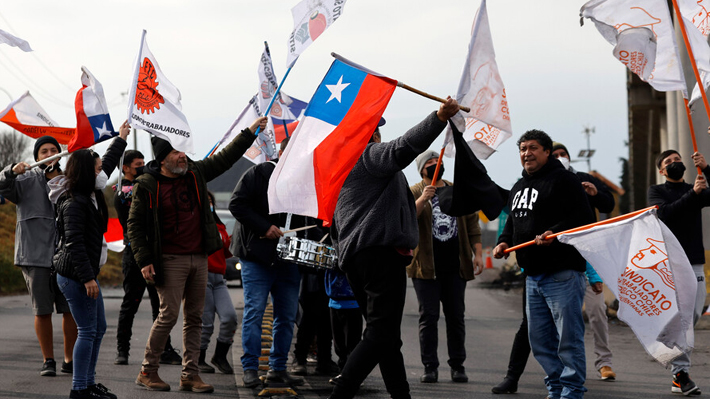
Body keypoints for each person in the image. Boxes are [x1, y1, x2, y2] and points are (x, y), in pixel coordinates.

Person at [327, 98, 460, 399]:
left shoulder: (344, 166)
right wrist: (438, 117)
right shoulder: (369, 156)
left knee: (386, 338)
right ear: (371, 135)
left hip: (359, 260)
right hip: (378, 257)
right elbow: (404, 147)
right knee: (379, 334)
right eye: (377, 132)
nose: (381, 137)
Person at [129, 118, 260, 393]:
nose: (183, 155)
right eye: (177, 151)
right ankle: (147, 370)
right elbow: (135, 226)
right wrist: (144, 261)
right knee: (168, 315)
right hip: (169, 260)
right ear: (163, 159)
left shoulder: (195, 173)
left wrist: (249, 133)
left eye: (183, 150)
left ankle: (190, 374)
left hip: (199, 258)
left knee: (195, 318)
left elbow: (225, 158)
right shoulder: (147, 184)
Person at [493, 129, 593, 399]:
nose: (527, 153)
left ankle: (571, 391)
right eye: (523, 148)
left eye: (533, 148)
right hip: (533, 277)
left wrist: (555, 232)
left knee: (568, 340)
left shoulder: (564, 180)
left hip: (562, 274)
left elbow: (584, 218)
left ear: (548, 152)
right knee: (539, 342)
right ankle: (556, 386)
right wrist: (503, 242)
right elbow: (514, 222)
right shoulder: (518, 186)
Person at [50, 125, 128, 399]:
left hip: (83, 273)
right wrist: (87, 278)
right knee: (87, 330)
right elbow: (75, 244)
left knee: (98, 328)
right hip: (75, 275)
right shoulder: (74, 203)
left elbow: (106, 163)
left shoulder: (90, 195)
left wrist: (121, 139)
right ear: (85, 172)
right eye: (96, 170)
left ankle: (88, 382)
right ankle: (79, 388)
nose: (101, 174)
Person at [229, 137, 308, 388]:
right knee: (255, 311)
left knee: (286, 315)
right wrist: (265, 227)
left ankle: (278, 368)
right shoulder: (258, 174)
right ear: (282, 153)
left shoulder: (303, 182)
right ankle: (250, 368)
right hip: (256, 256)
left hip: (288, 257)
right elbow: (236, 204)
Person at [0, 135, 78, 376]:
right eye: (43, 151)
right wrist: (11, 170)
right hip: (34, 256)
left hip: (66, 255)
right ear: (36, 157)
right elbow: (2, 185)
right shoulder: (23, 179)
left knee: (70, 310)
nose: (49, 154)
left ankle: (69, 359)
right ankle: (48, 360)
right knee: (42, 310)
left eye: (53, 150)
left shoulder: (69, 181)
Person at [407, 150, 483, 384]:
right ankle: (430, 367)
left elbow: (472, 223)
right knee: (428, 318)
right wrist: (423, 199)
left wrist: (477, 253)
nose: (434, 165)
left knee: (456, 318)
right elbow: (407, 218)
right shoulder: (414, 191)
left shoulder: (456, 189)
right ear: (421, 169)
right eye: (429, 163)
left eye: (436, 161)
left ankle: (457, 366)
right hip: (425, 268)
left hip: (455, 267)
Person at [648, 148, 710, 396]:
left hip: (694, 260)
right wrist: (693, 195)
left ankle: (672, 345)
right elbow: (664, 213)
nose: (675, 163)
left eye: (678, 160)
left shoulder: (697, 185)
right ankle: (680, 374)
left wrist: (706, 169)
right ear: (662, 170)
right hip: (671, 262)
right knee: (684, 318)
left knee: (693, 314)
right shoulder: (657, 191)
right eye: (669, 162)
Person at [552, 142, 616, 381]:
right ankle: (564, 367)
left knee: (598, 310)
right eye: (555, 155)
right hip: (560, 260)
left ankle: (604, 362)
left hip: (589, 254)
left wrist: (595, 194)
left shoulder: (583, 178)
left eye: (563, 154)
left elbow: (608, 204)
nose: (560, 158)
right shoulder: (546, 183)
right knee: (563, 317)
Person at [114, 149, 181, 366]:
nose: (143, 167)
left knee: (159, 305)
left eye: (144, 163)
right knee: (130, 303)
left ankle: (165, 349)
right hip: (134, 253)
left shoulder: (145, 186)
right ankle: (122, 350)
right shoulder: (124, 190)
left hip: (154, 253)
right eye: (137, 165)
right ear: (125, 168)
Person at [198, 191, 238, 375]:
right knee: (205, 323)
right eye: (204, 202)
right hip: (202, 277)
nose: (209, 204)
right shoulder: (194, 224)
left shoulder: (219, 224)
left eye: (210, 201)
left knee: (230, 317)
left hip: (219, 279)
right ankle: (199, 360)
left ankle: (219, 356)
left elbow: (226, 252)